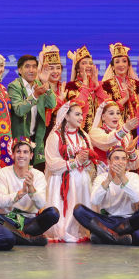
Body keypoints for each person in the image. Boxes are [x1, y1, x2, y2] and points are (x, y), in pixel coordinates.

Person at [74, 147, 139, 245]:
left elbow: (137, 198)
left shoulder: (133, 176)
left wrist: (122, 177)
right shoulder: (101, 177)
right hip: (107, 220)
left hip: (128, 221)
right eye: (116, 158)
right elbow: (94, 200)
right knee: (78, 210)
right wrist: (108, 180)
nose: (120, 162)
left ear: (127, 162)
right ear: (109, 162)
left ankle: (104, 235)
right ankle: (117, 238)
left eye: (123, 159)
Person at [0, 138, 61, 245]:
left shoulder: (38, 175)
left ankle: (17, 235)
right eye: (18, 152)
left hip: (29, 222)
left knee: (53, 213)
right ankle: (27, 239)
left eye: (25, 152)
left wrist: (31, 189)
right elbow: (0, 203)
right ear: (13, 155)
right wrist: (21, 193)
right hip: (7, 219)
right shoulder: (2, 173)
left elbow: (41, 204)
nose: (21, 155)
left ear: (31, 155)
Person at [43, 102, 96, 242]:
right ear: (66, 116)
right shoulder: (55, 137)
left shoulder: (84, 135)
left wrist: (86, 159)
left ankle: (81, 230)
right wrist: (75, 162)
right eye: (77, 114)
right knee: (65, 213)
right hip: (61, 180)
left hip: (81, 180)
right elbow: (52, 163)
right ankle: (63, 230)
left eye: (81, 114)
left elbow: (90, 160)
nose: (81, 118)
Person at [7, 54, 57, 166]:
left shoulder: (39, 84)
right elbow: (19, 110)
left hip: (37, 137)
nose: (31, 70)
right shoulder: (14, 86)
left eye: (34, 67)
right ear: (20, 70)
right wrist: (35, 95)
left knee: (37, 171)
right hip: (20, 137)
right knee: (21, 170)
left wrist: (46, 83)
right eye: (27, 66)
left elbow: (52, 104)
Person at [97, 42, 139, 132]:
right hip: (113, 130)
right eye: (117, 62)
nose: (121, 65)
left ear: (128, 65)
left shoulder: (135, 84)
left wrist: (133, 96)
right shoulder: (106, 85)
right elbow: (105, 109)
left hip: (131, 128)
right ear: (112, 67)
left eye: (124, 61)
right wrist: (125, 99)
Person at [60, 45, 100, 131]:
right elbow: (76, 107)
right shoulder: (72, 86)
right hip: (79, 132)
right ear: (78, 69)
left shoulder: (97, 86)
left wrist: (96, 84)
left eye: (90, 63)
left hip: (97, 132)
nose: (88, 65)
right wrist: (85, 83)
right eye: (84, 63)